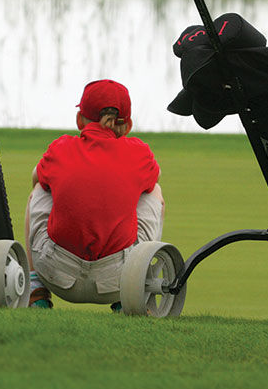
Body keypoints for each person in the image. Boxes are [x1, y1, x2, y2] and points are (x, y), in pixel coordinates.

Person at [25, 79, 164, 310]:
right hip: (121, 280)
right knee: (153, 191)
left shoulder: (61, 147)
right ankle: (129, 297)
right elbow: (153, 181)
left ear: (79, 120)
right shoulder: (139, 153)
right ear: (127, 125)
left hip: (55, 275)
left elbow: (35, 178)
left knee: (40, 187)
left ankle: (35, 289)